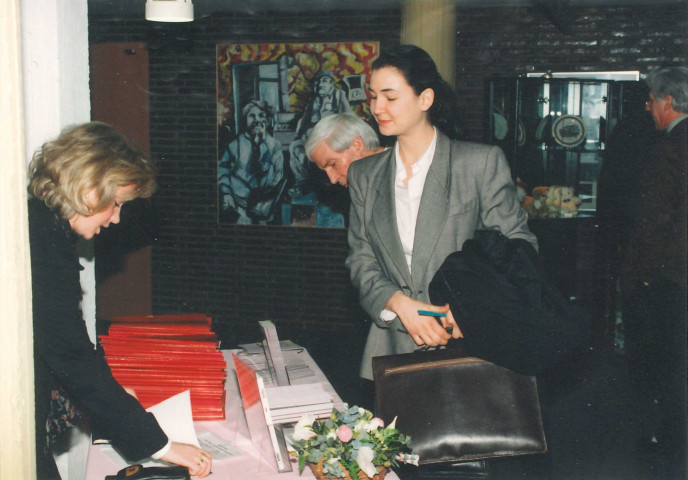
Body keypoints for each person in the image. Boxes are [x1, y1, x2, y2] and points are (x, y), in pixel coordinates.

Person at [28, 122, 212, 479]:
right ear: (89, 186)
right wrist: (163, 446)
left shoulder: (45, 228)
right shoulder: (46, 248)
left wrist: (112, 393)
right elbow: (70, 356)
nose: (115, 218)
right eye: (115, 204)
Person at [345, 45, 537, 382]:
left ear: (425, 99)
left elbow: (518, 246)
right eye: (373, 96)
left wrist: (469, 309)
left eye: (390, 97)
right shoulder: (364, 174)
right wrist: (398, 304)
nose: (376, 108)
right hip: (392, 342)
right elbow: (361, 259)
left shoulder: (478, 163)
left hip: (469, 342)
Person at [621, 66, 687, 478]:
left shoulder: (669, 148)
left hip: (670, 279)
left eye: (650, 100)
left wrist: (638, 278)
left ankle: (671, 447)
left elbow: (654, 222)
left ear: (666, 102)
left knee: (668, 367)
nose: (647, 107)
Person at [218, 99, 287, 224]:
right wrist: (226, 193)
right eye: (252, 116)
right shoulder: (236, 144)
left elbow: (278, 176)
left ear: (268, 120)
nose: (257, 120)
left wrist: (265, 144)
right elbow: (222, 169)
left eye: (261, 116)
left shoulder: (275, 146)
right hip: (238, 205)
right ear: (246, 119)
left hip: (263, 206)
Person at [305, 113, 385, 187]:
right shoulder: (363, 186)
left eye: (333, 164)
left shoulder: (396, 173)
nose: (333, 180)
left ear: (357, 145)